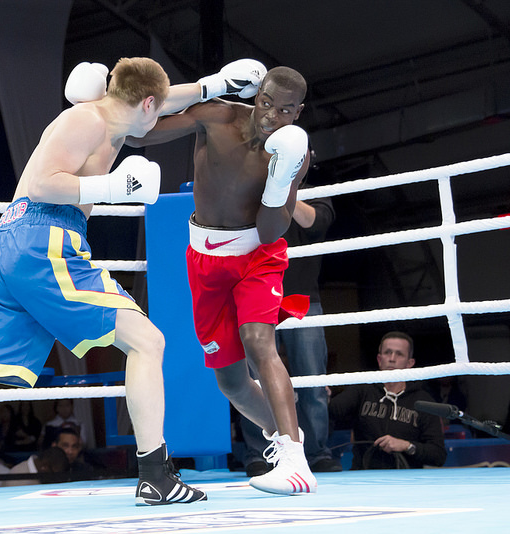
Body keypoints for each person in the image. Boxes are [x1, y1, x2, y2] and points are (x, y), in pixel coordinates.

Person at [0, 56, 253, 514]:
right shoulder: (86, 120)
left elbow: (166, 96)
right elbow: (42, 184)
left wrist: (215, 85)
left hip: (15, 247)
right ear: (145, 105)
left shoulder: (115, 115)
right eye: (156, 108)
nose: (160, 115)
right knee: (147, 341)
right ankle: (156, 476)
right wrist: (110, 189)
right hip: (46, 241)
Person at [126, 62, 317, 494]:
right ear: (257, 94)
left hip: (257, 256)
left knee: (258, 340)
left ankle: (295, 461)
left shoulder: (295, 151)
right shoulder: (218, 115)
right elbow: (138, 134)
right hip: (206, 259)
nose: (272, 116)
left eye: (285, 110)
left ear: (298, 112)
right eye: (267, 103)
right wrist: (204, 87)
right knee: (231, 381)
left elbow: (271, 230)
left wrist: (279, 179)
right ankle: (286, 434)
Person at [236, 193, 342, 474]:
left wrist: (282, 189)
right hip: (257, 293)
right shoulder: (254, 190)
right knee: (254, 379)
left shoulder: (314, 195)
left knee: (312, 381)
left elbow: (315, 222)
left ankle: (317, 452)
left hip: (301, 297)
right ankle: (259, 454)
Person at [328, 331, 447, 469]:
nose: (392, 358)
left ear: (409, 363)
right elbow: (331, 411)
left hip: (406, 478)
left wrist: (407, 446)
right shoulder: (363, 390)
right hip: (364, 476)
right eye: (387, 353)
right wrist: (322, 396)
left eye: (399, 354)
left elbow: (439, 455)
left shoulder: (423, 401)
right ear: (379, 359)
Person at [3, 446, 70, 487]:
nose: (56, 482)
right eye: (55, 477)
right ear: (44, 467)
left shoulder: (39, 473)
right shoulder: (19, 482)